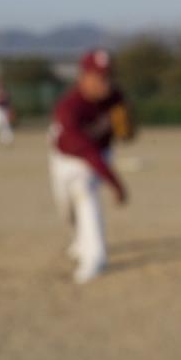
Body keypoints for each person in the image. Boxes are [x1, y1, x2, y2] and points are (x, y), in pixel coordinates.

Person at [49, 48, 136, 284]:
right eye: (99, 76)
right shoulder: (69, 107)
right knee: (66, 210)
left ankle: (95, 258)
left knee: (85, 193)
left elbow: (127, 133)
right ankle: (79, 238)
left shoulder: (115, 98)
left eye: (108, 76)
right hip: (67, 159)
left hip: (98, 156)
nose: (105, 82)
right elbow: (87, 152)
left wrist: (128, 129)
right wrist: (116, 184)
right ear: (83, 77)